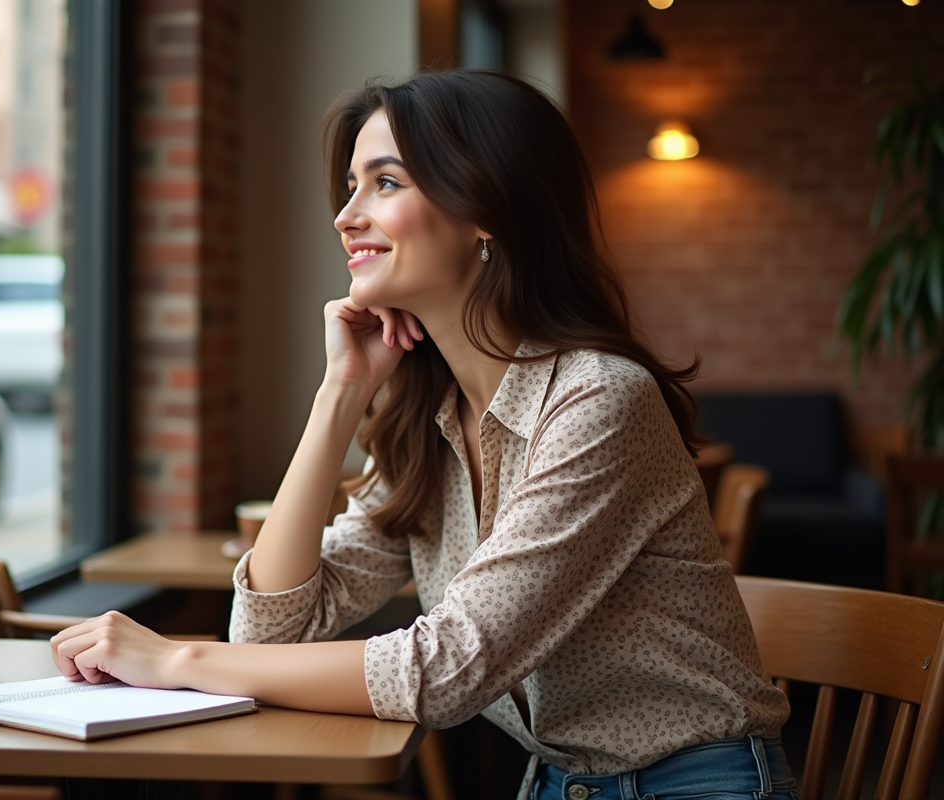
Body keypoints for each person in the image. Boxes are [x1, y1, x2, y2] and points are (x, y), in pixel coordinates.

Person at [51, 70, 795, 800]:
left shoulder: (598, 399)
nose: (346, 216)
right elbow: (269, 632)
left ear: (486, 211)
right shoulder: (430, 415)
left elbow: (444, 674)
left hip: (698, 784)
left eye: (385, 183)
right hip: (561, 784)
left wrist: (178, 659)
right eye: (350, 187)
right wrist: (340, 392)